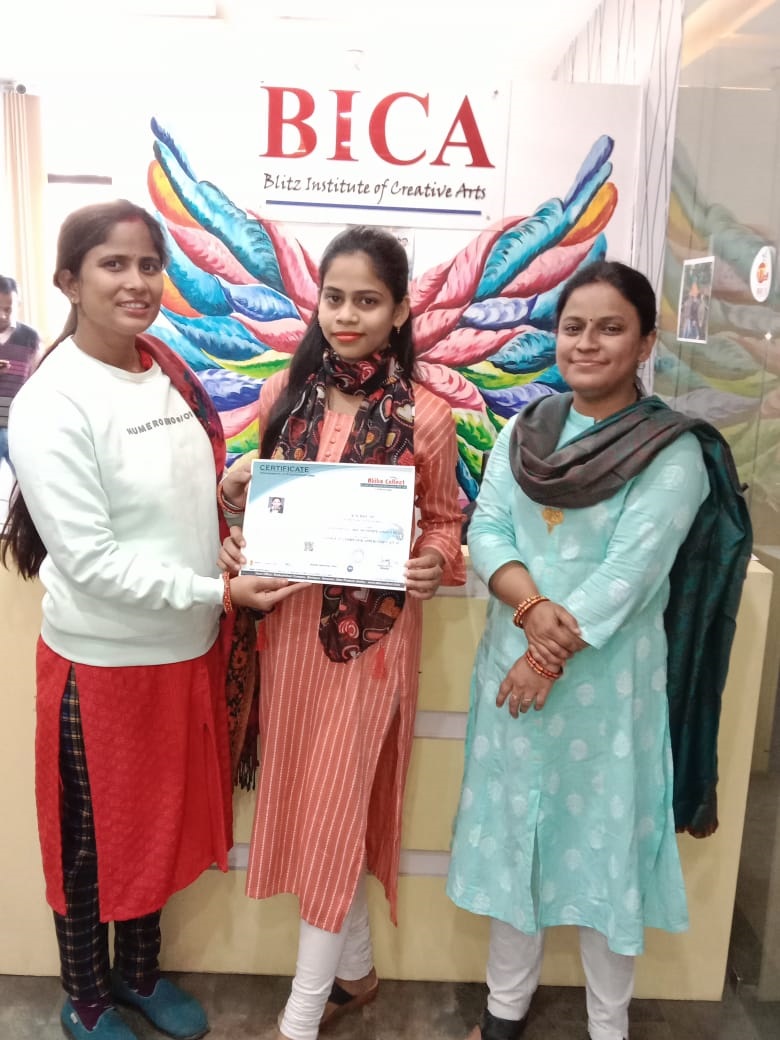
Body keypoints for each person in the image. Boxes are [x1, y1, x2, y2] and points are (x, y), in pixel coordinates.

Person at [1, 200, 301, 1040]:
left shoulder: (164, 368)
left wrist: (225, 495)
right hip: (103, 666)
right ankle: (85, 997)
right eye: (113, 264)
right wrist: (218, 595)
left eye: (148, 264)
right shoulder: (54, 401)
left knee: (155, 833)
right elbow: (92, 561)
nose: (137, 282)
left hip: (184, 650)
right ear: (69, 281)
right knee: (91, 845)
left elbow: (172, 506)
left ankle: (138, 974)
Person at [446, 260, 751, 1040]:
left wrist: (545, 654)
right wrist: (530, 607)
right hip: (513, 680)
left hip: (608, 691)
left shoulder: (671, 451)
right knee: (515, 846)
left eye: (610, 328)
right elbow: (489, 528)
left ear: (645, 342)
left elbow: (629, 573)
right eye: (573, 327)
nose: (586, 343)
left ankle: (608, 1024)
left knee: (604, 853)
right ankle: (504, 1009)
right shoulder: (527, 431)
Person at [218, 225, 466, 1040]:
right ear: (317, 301)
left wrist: (433, 559)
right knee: (318, 804)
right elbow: (253, 509)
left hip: (370, 644)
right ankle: (355, 973)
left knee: (330, 811)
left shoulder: (428, 417)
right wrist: (234, 510)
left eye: (367, 301)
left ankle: (301, 1015)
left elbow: (444, 520)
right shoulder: (282, 397)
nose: (347, 315)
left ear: (400, 312)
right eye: (334, 298)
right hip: (289, 632)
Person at [0, 274, 40, 471]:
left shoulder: (30, 337)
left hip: (19, 423)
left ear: (18, 305)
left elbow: (37, 377)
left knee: (29, 478)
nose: (2, 316)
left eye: (8, 309)